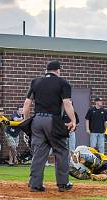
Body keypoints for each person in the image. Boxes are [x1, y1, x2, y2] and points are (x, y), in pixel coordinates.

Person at [23, 60, 76, 192]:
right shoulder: (63, 83)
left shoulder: (35, 82)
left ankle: (35, 184)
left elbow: (27, 104)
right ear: (58, 71)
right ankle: (63, 184)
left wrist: (26, 121)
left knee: (39, 153)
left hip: (37, 120)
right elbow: (67, 104)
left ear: (46, 71)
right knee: (61, 151)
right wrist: (73, 120)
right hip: (53, 120)